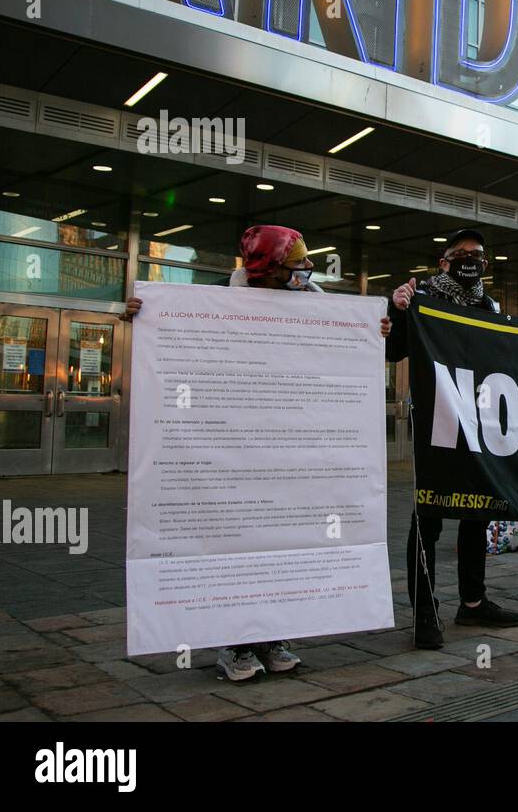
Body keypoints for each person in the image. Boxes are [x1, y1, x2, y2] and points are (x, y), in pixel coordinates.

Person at [122, 225, 393, 682]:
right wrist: (141, 314)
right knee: (239, 537)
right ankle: (238, 643)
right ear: (268, 267)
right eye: (298, 263)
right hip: (234, 447)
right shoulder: (216, 298)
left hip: (289, 450)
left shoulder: (317, 300)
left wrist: (374, 331)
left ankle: (276, 635)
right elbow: (173, 329)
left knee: (284, 534)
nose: (308, 270)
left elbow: (343, 350)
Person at [387, 229, 518, 649]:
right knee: (428, 512)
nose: (471, 258)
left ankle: (472, 601)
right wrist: (396, 312)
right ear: (444, 261)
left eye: (478, 254)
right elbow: (392, 351)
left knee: (478, 509)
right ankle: (423, 611)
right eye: (461, 252)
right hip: (436, 421)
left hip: (480, 422)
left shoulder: (489, 307)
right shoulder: (422, 296)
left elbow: (510, 353)